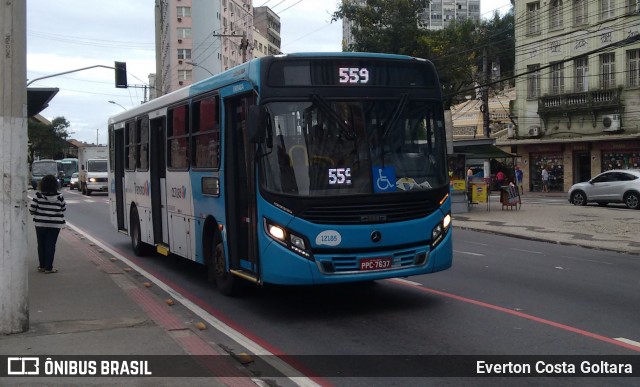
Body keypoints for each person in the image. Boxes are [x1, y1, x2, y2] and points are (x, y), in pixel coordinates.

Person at [29, 174, 66, 273]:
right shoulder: (59, 196)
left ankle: (42, 266)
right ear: (55, 184)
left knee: (41, 244)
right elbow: (63, 208)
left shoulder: (38, 195)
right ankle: (49, 268)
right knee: (51, 245)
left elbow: (32, 209)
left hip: (40, 224)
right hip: (55, 225)